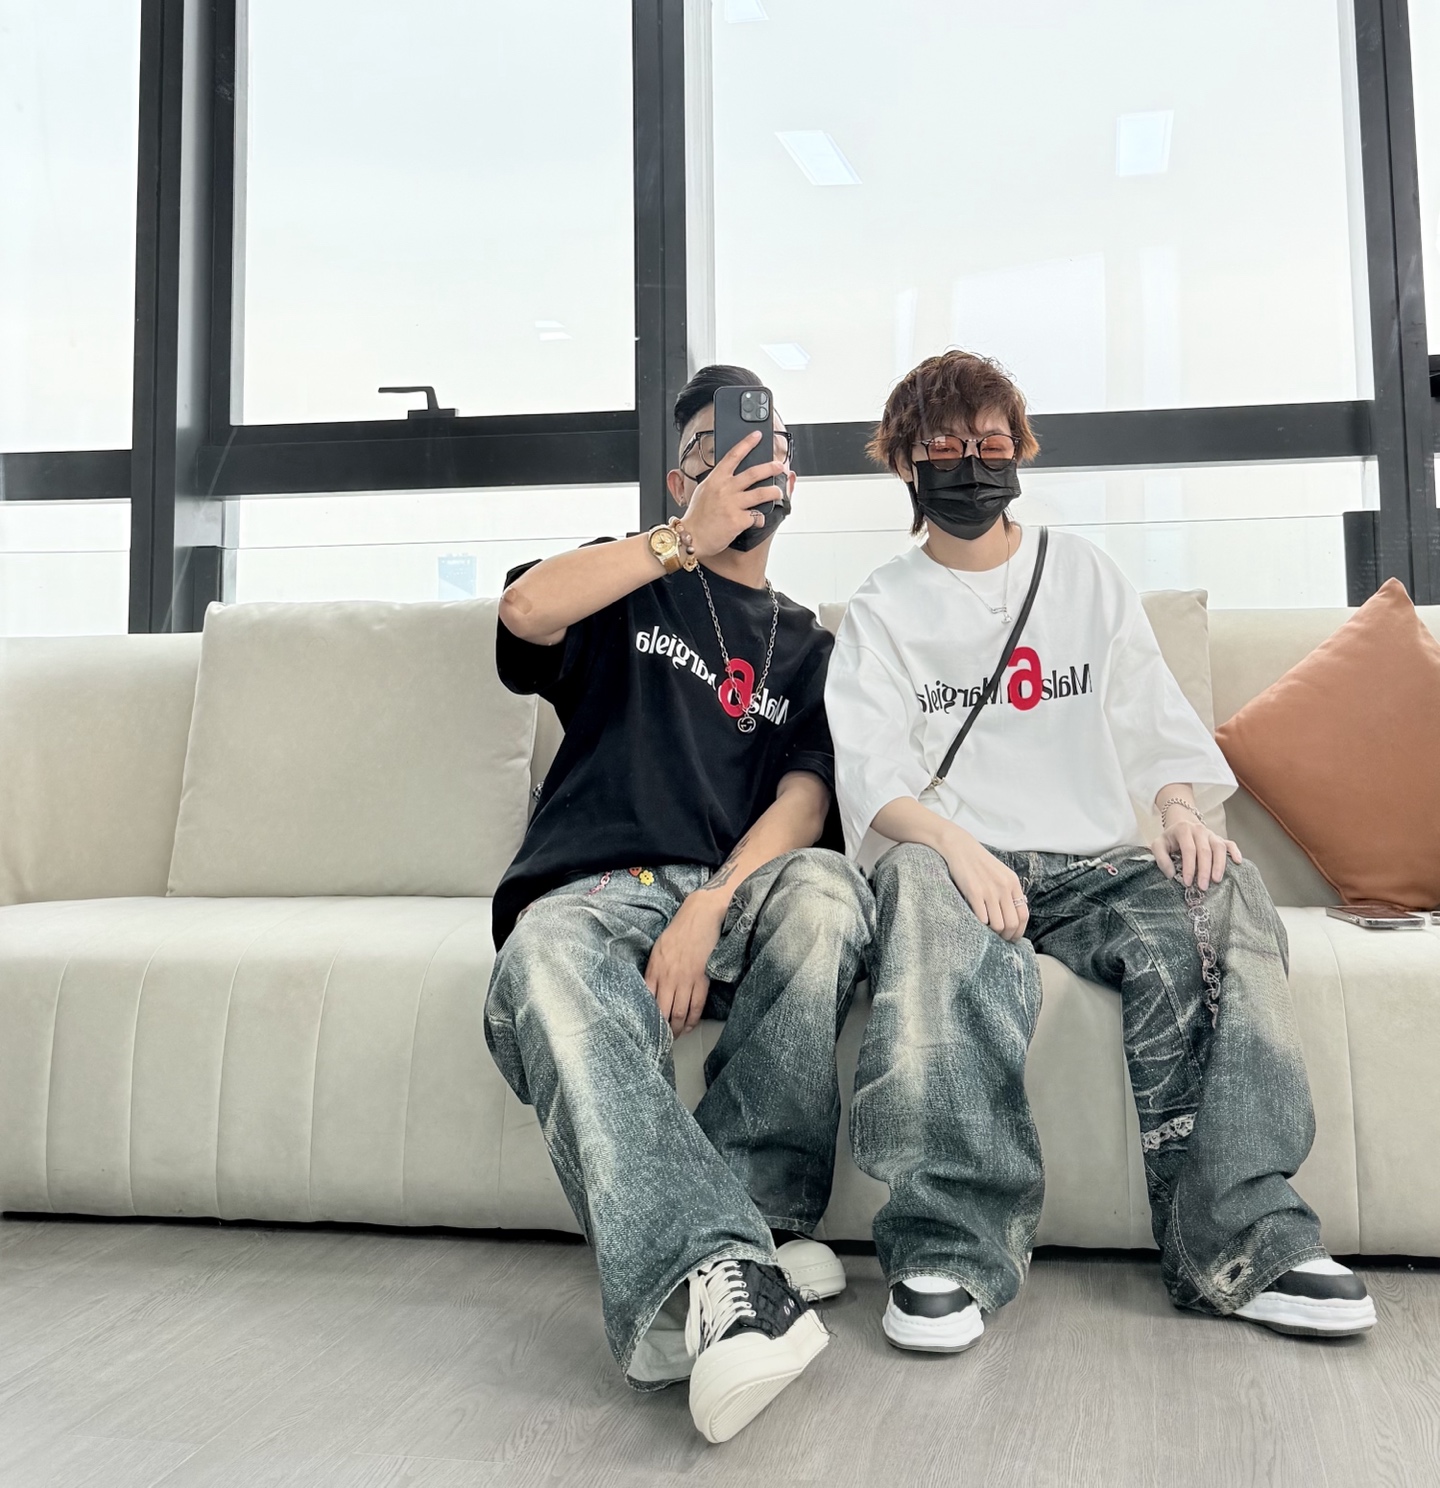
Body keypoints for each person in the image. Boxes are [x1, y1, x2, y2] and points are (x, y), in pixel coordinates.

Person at [824, 349, 1375, 1356]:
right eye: (943, 446)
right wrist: (957, 847)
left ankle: (1241, 1241)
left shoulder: (1082, 574)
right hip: (956, 861)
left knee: (1224, 890)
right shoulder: (881, 606)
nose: (970, 465)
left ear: (1020, 452)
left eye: (991, 442)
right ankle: (949, 1244)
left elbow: (1149, 718)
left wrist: (1179, 810)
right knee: (917, 887)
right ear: (904, 462)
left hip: (1093, 864)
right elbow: (872, 776)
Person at [485, 364, 874, 1443]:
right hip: (600, 890)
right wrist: (679, 540)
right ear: (680, 478)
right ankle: (729, 1272)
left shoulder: (809, 643)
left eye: (770, 447)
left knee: (829, 890)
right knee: (540, 959)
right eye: (720, 449)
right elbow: (524, 611)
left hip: (735, 894)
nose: (752, 462)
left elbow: (806, 801)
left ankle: (760, 1223)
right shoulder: (630, 580)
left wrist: (711, 908)